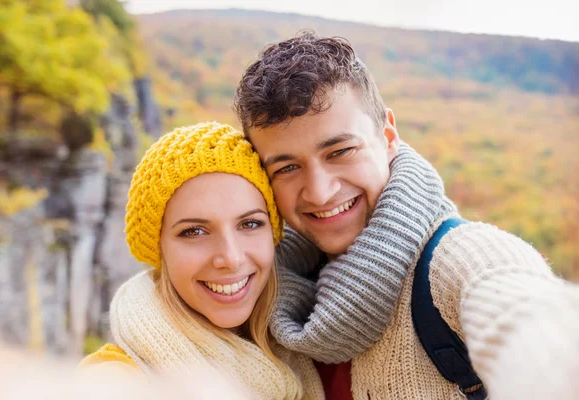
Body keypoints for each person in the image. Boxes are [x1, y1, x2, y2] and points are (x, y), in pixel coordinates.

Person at [233, 31, 579, 399]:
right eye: (286, 168)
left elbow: (529, 320)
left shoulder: (459, 262)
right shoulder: (264, 287)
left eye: (340, 151)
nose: (320, 191)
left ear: (388, 135)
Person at [80, 122, 324, 400]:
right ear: (158, 249)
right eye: (194, 231)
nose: (231, 259)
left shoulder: (305, 347)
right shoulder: (116, 379)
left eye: (250, 224)